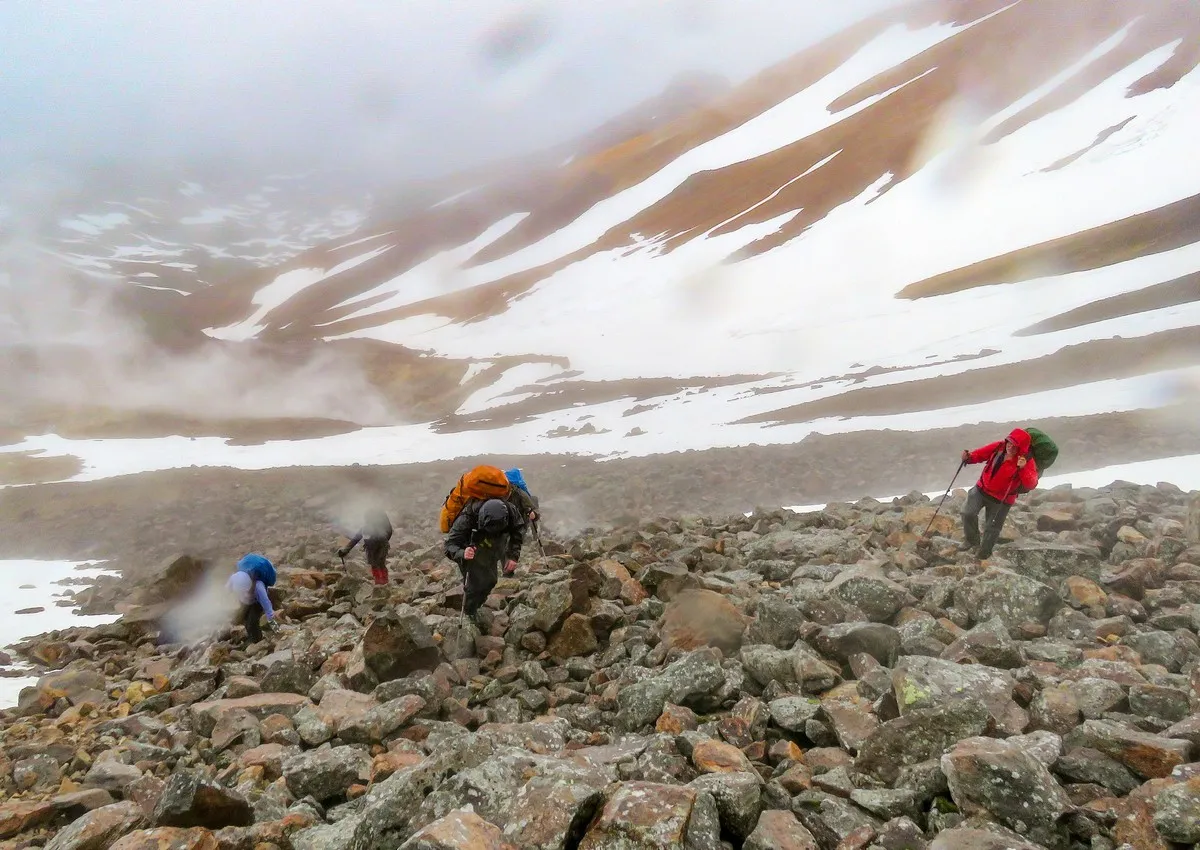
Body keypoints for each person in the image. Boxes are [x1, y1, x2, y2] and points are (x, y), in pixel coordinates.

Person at [960, 428, 1040, 559]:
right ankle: (972, 541)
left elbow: (1031, 483)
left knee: (992, 528)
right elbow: (980, 454)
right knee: (967, 513)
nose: (1010, 447)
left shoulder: (1026, 460)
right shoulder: (999, 446)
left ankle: (984, 554)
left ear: (1021, 447)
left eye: (1015, 445)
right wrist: (969, 458)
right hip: (981, 489)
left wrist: (1023, 468)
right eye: (1009, 442)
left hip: (1002, 499)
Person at [444, 497, 524, 624]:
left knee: (490, 581)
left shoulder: (511, 512)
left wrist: (513, 556)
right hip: (470, 548)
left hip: (492, 547)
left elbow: (517, 532)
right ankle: (469, 613)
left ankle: (475, 607)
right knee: (474, 584)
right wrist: (462, 553)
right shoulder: (467, 518)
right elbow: (449, 545)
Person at [226, 554, 278, 644]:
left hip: (256, 602)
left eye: (244, 591)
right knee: (245, 619)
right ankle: (251, 637)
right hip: (245, 601)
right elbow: (226, 590)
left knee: (252, 621)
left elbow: (267, 605)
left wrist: (274, 626)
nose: (243, 593)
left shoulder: (259, 588)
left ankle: (257, 641)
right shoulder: (234, 578)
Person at [337, 508, 394, 585]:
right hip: (371, 546)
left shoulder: (378, 530)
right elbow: (355, 540)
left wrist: (346, 550)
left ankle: (383, 581)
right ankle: (379, 582)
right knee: (374, 564)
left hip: (381, 545)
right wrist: (345, 550)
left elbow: (385, 540)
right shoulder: (364, 528)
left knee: (379, 563)